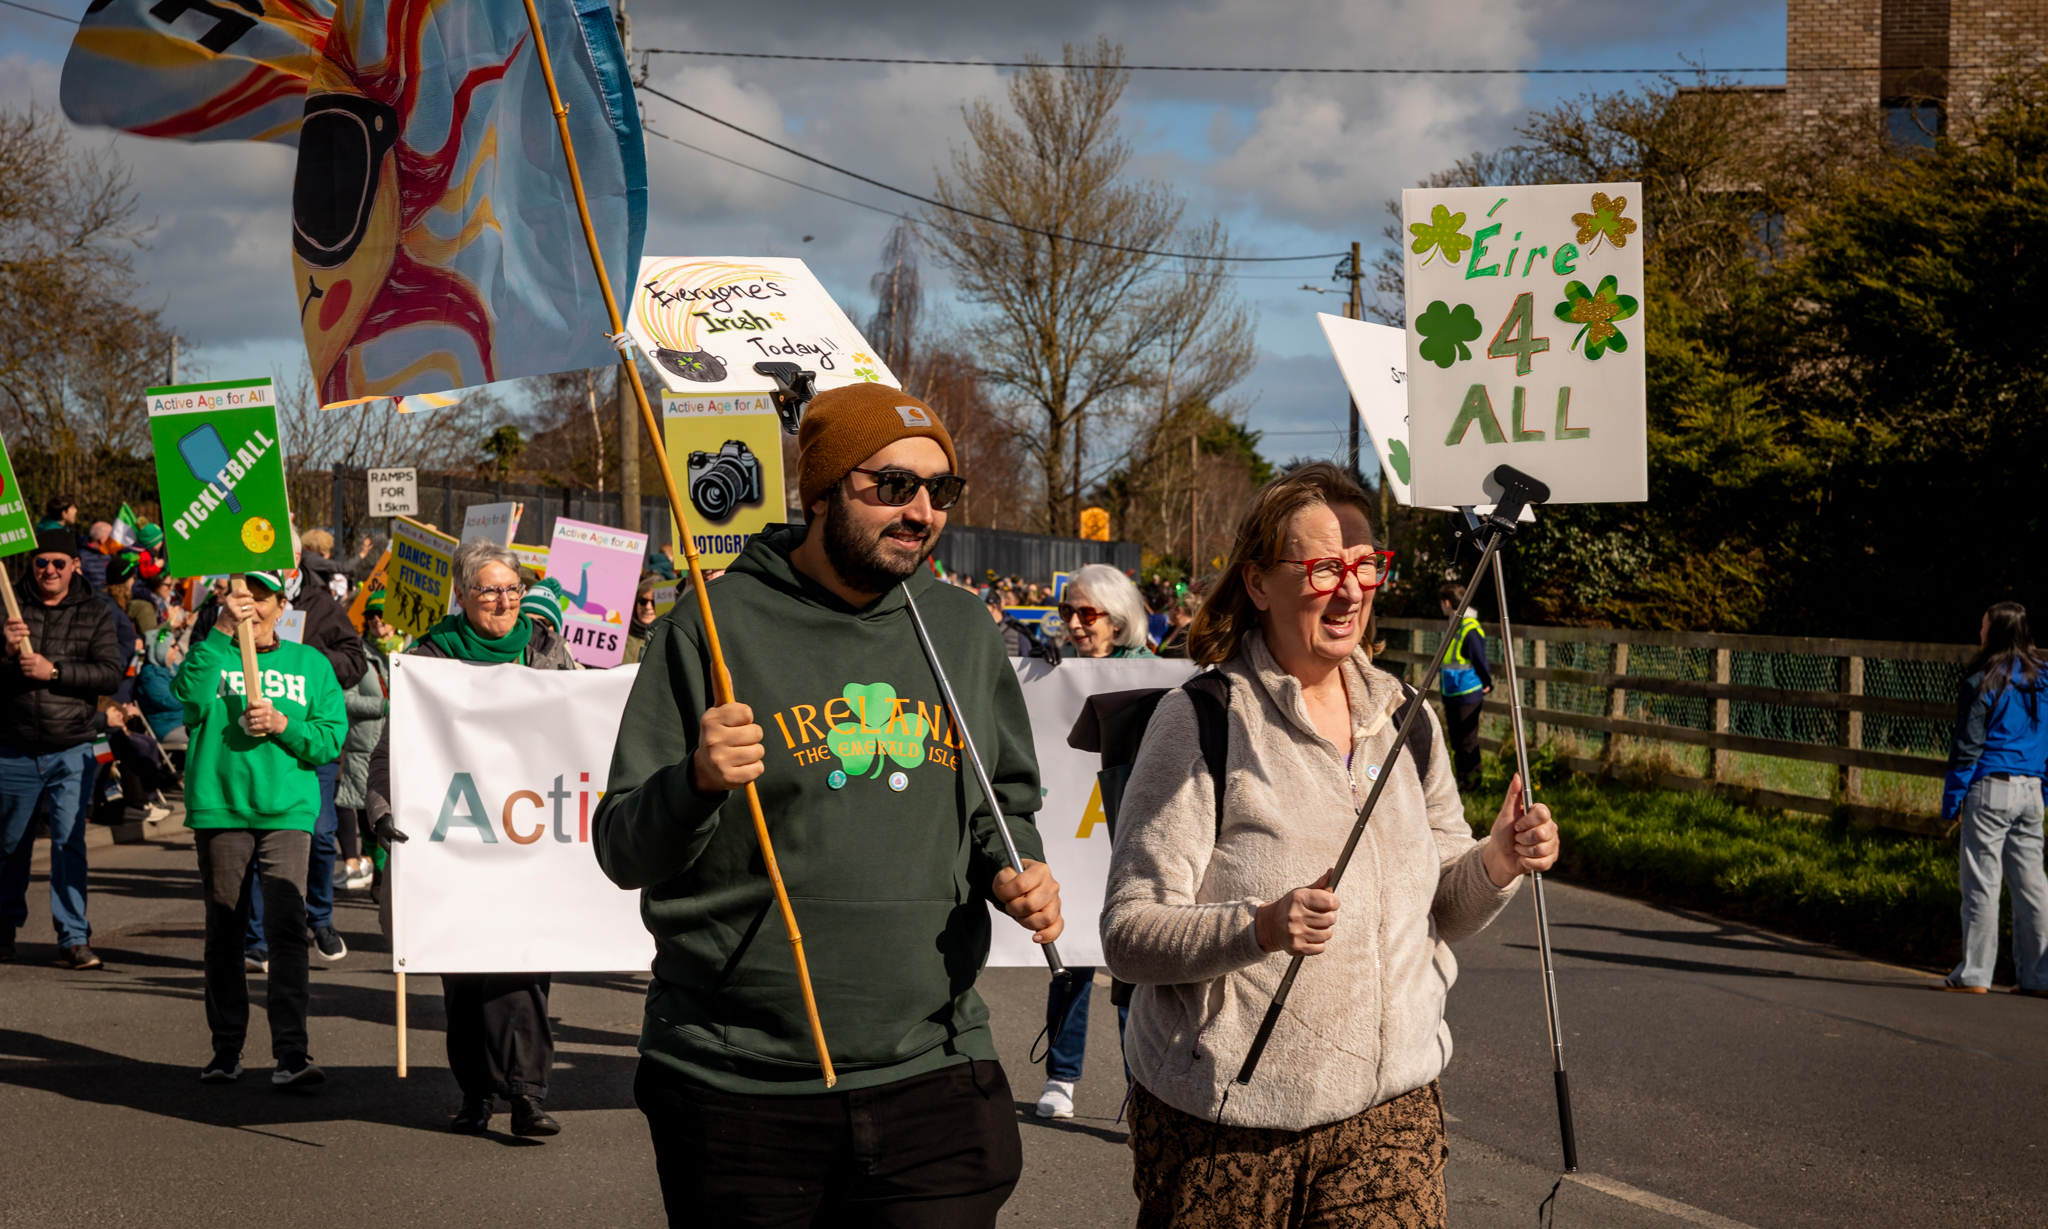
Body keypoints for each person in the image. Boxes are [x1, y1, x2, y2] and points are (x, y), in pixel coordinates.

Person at [594, 382, 1064, 1227]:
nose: (921, 510)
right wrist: (695, 781)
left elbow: (1004, 801)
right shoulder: (709, 624)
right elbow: (624, 849)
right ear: (820, 492)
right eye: (893, 485)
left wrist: (1014, 866)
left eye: (940, 489)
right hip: (739, 1087)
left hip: (935, 1070)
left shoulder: (961, 628)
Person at [1100, 463, 1560, 1227]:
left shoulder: (1408, 718)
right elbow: (1129, 933)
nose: (1350, 591)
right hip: (1225, 1126)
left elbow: (1444, 906)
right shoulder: (1202, 720)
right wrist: (1259, 927)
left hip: (1390, 1116)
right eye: (1322, 568)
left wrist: (1499, 859)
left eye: (1365, 564)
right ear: (1258, 582)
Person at [366, 538, 577, 1137]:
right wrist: (382, 811)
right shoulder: (427, 659)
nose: (504, 601)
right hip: (455, 839)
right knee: (462, 974)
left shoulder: (547, 652)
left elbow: (585, 725)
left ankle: (527, 1094)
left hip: (529, 834)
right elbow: (391, 751)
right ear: (462, 595)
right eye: (489, 590)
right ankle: (475, 1091)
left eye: (513, 589)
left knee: (520, 965)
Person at [175, 571, 345, 1087]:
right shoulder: (211, 651)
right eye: (240, 595)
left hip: (286, 812)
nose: (250, 604)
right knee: (225, 929)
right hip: (221, 808)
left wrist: (282, 726)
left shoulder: (310, 663)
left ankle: (292, 1052)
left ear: (281, 605)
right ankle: (226, 1049)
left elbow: (330, 740)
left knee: (287, 928)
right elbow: (189, 701)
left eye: (262, 596)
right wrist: (220, 632)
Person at [1036, 563, 1153, 1121]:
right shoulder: (1055, 671)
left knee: (1133, 972)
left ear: (1118, 618)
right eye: (1067, 612)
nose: (1075, 623)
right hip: (1075, 839)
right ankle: (1061, 1077)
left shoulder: (1154, 673)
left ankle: (1139, 1087)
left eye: (1087, 613)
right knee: (1071, 963)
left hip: (1127, 837)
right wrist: (1044, 675)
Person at [0, 530, 123, 967]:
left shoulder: (96, 610)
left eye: (58, 562)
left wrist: (54, 672)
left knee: (68, 843)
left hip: (71, 747)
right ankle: (3, 929)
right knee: (9, 845)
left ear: (75, 565)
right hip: (13, 746)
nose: (48, 570)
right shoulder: (8, 604)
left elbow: (110, 674)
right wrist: (6, 649)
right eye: (41, 562)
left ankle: (73, 936)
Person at [1940, 600, 2048, 995]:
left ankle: (1975, 973)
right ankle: (2038, 977)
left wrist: (1952, 801)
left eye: (1984, 624)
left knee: (1982, 883)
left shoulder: (1982, 682)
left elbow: (1966, 748)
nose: (1980, 631)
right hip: (2032, 790)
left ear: (1997, 631)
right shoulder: (2044, 681)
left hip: (1991, 788)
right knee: (2032, 887)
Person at [290, 535, 367, 962]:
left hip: (314, 741)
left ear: (298, 558)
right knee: (262, 838)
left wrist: (312, 657)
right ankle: (261, 936)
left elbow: (354, 663)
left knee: (320, 835)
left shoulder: (320, 604)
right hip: (259, 742)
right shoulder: (237, 601)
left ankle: (320, 918)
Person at [334, 596, 390, 893]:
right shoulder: (358, 654)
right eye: (371, 616)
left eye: (381, 614)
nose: (376, 620)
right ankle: (378, 869)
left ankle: (388, 872)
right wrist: (382, 706)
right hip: (364, 745)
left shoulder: (413, 651)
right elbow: (346, 699)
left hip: (401, 743)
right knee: (366, 813)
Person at [1438, 582, 1492, 792]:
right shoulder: (1454, 624)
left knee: (1468, 741)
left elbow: (1480, 659)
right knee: (1456, 742)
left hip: (1468, 692)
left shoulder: (1469, 627)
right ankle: (1461, 784)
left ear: (1447, 603)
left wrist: (1487, 683)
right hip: (1452, 691)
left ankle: (1473, 785)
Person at [624, 575, 659, 664]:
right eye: (643, 601)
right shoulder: (619, 631)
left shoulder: (666, 641)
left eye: (654, 602)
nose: (648, 607)